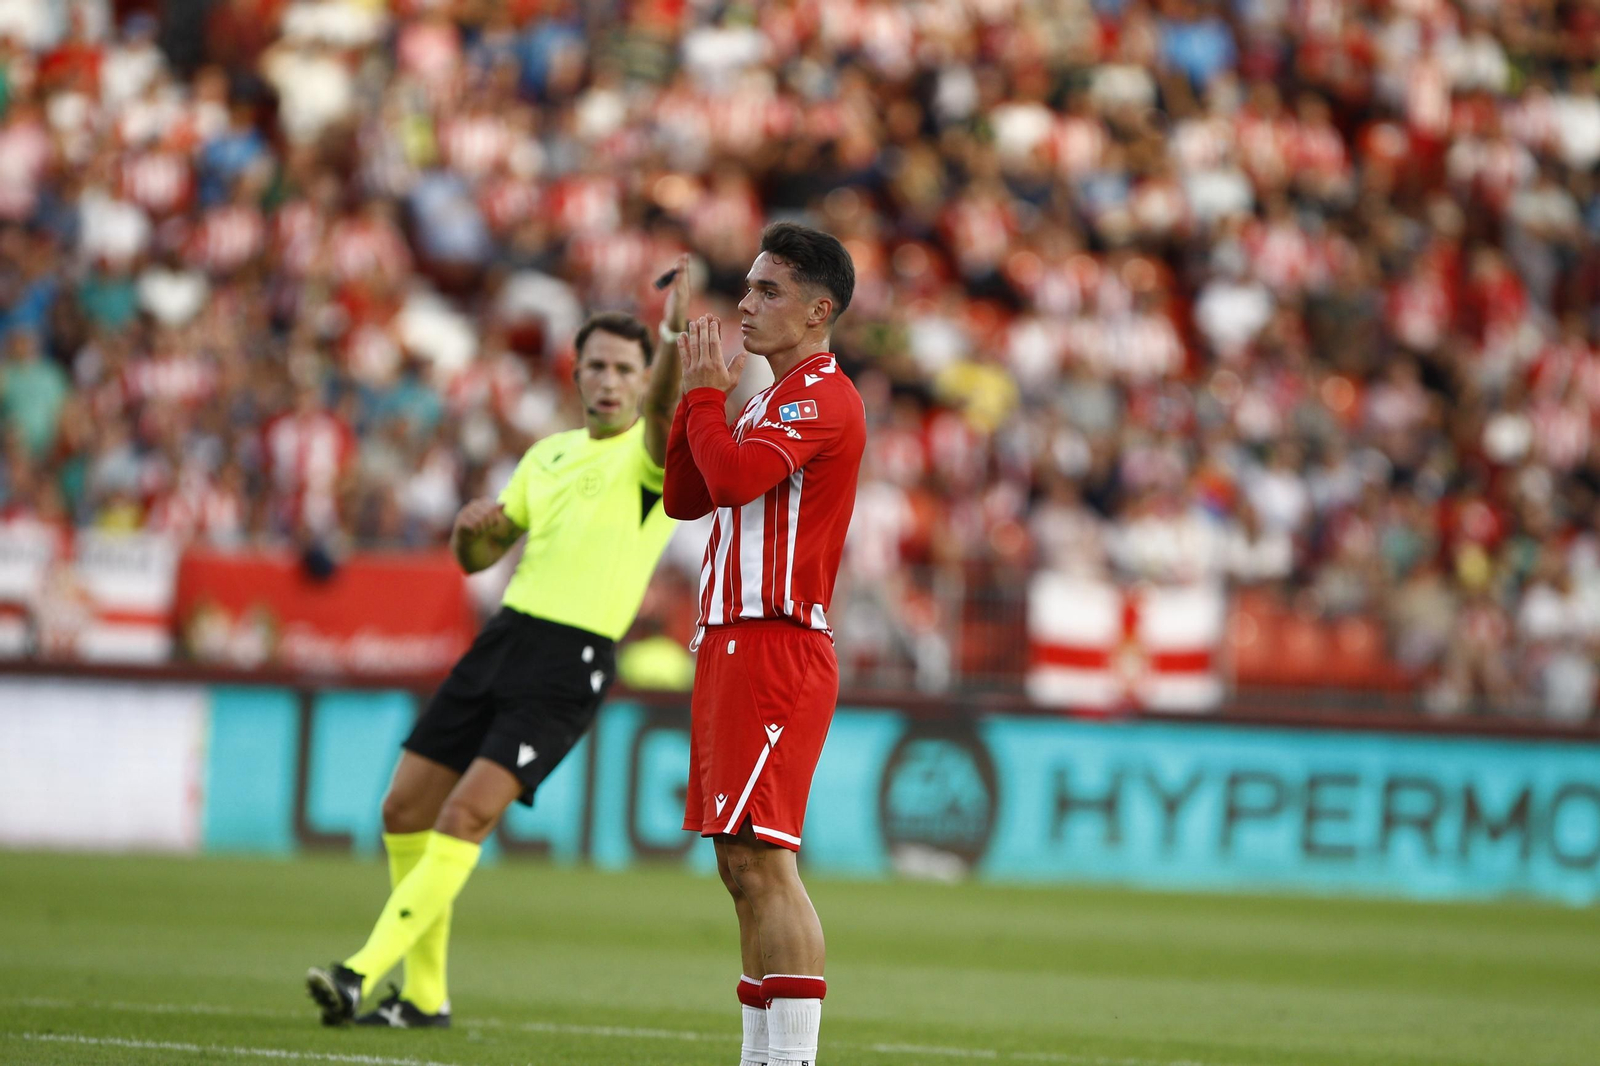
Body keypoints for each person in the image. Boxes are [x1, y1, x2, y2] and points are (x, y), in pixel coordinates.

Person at [305, 257, 692, 1028]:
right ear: (576, 374)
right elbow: (481, 556)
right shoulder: (546, 455)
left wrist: (676, 333)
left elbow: (665, 414)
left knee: (463, 818)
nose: (609, 380)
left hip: (571, 659)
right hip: (505, 637)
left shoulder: (651, 459)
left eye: (625, 367)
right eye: (596, 366)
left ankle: (360, 972)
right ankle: (423, 997)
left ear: (647, 377)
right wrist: (468, 537)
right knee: (404, 807)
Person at [663, 223, 864, 1066]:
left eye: (768, 290)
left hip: (777, 647)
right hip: (731, 645)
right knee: (739, 865)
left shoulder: (822, 396)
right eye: (747, 287)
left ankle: (790, 1063)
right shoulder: (767, 400)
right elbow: (685, 497)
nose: (745, 303)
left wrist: (710, 398)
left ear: (819, 311)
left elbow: (736, 479)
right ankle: (761, 1058)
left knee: (767, 863)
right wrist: (694, 395)